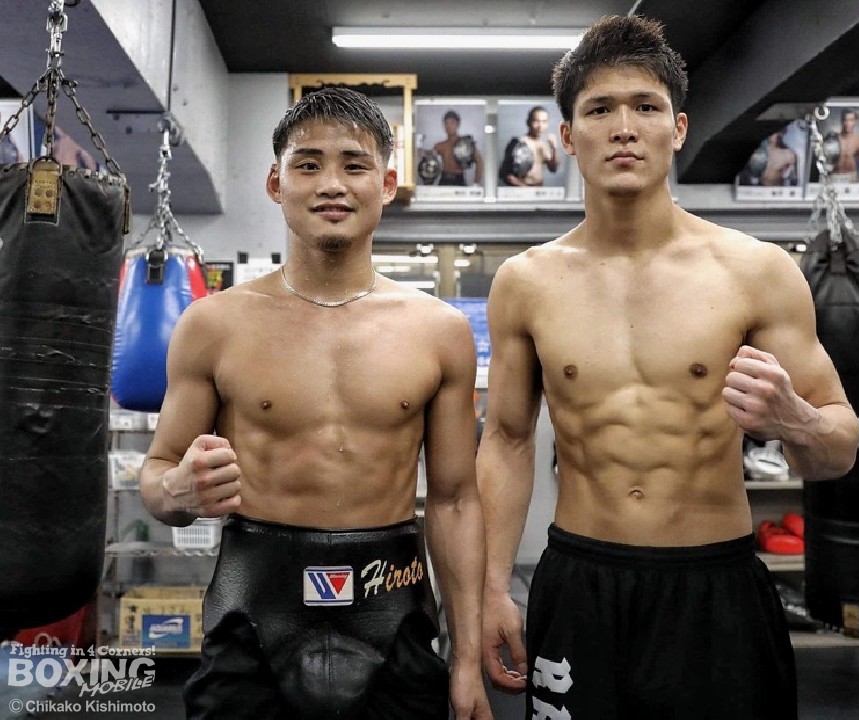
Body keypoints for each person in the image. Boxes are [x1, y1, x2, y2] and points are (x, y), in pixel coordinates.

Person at [477, 15, 859, 720]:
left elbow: (840, 447)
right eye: (600, 109)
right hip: (581, 582)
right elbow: (504, 440)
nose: (624, 128)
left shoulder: (756, 272)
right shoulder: (526, 283)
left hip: (714, 587)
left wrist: (797, 421)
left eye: (646, 107)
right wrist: (491, 588)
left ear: (678, 129)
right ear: (568, 137)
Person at [139, 86, 492, 720]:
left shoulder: (439, 331)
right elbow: (158, 475)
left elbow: (455, 500)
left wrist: (466, 660)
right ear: (276, 184)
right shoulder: (212, 325)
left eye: (354, 165)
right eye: (308, 165)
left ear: (386, 184)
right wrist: (178, 491)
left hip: (391, 603)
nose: (332, 184)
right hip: (253, 609)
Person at [500, 105, 560, 187]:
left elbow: (553, 169)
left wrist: (554, 148)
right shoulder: (518, 142)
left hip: (539, 190)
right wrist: (526, 188)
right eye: (536, 121)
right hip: (522, 190)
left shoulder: (543, 145)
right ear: (528, 122)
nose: (540, 126)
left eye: (544, 122)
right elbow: (505, 174)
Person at [432, 109, 484, 186]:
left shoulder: (466, 143)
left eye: (452, 123)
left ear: (458, 124)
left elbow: (480, 162)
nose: (449, 126)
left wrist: (476, 184)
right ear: (444, 125)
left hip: (459, 182)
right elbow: (427, 159)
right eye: (446, 123)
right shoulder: (440, 145)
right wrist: (419, 145)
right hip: (444, 181)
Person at [833, 108, 859, 183]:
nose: (848, 123)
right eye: (845, 120)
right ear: (842, 121)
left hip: (851, 177)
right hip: (835, 176)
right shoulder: (835, 138)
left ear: (855, 121)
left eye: (851, 120)